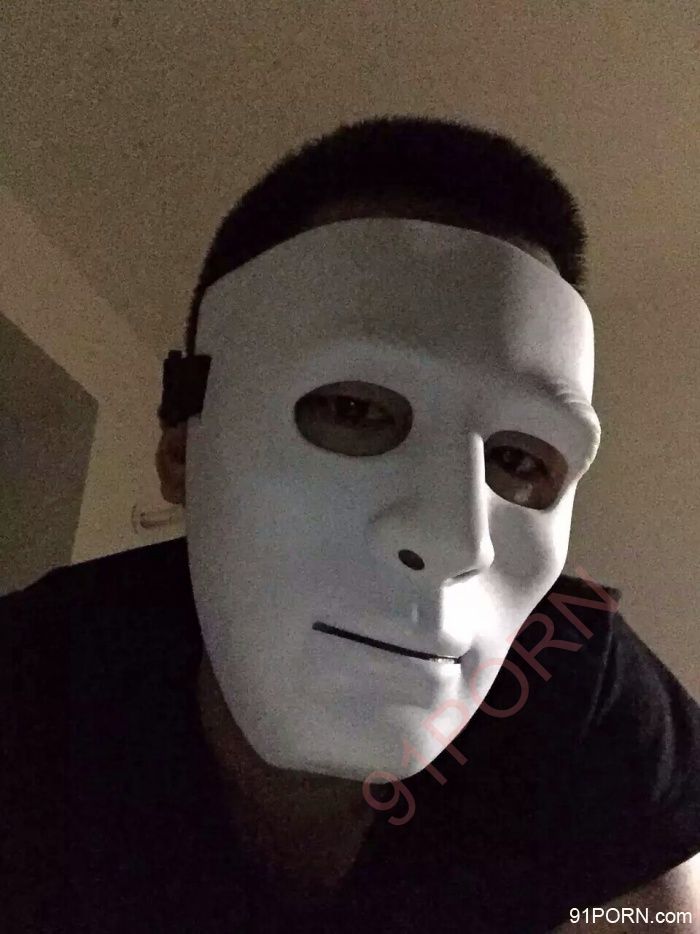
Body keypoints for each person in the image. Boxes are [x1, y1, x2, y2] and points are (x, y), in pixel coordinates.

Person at [3, 115, 699, 934]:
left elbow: (662, 915)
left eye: (519, 458)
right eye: (355, 410)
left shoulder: (574, 675)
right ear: (185, 449)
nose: (455, 542)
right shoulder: (34, 686)